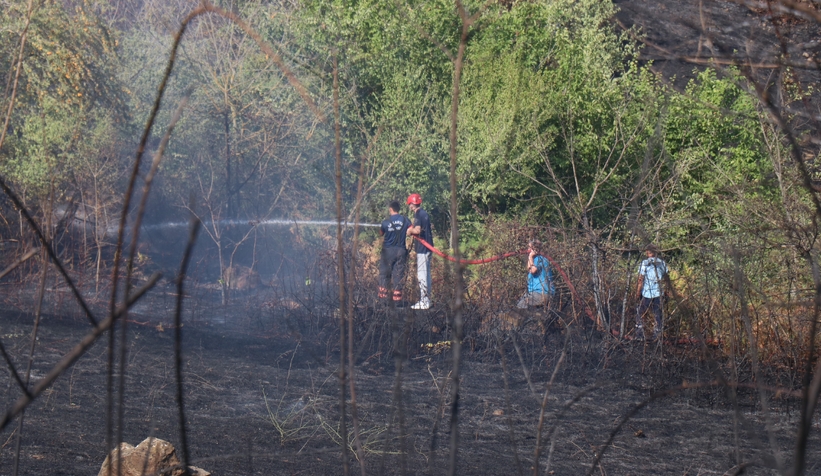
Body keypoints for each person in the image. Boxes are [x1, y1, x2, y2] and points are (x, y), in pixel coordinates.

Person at [379, 201, 412, 304]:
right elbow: (411, 230)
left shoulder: (385, 222)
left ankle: (383, 300)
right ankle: (397, 301)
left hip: (388, 251)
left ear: (390, 209)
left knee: (384, 274)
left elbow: (381, 233)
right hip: (401, 251)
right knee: (398, 275)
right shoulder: (406, 220)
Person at [405, 193, 433, 310]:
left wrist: (409, 231)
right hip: (428, 248)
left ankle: (424, 301)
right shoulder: (424, 213)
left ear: (412, 204)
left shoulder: (418, 215)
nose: (409, 206)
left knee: (422, 275)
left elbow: (417, 230)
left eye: (410, 204)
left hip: (423, 249)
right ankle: (428, 300)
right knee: (427, 275)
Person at [635, 243, 668, 340]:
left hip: (647, 293)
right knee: (657, 314)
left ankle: (640, 334)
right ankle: (657, 335)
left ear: (647, 252)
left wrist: (637, 292)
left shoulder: (644, 263)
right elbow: (666, 280)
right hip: (659, 293)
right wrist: (666, 291)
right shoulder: (662, 263)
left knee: (641, 312)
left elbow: (640, 279)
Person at [517, 240, 554, 309]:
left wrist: (530, 257)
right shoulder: (536, 259)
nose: (528, 250)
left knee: (521, 306)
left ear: (534, 249)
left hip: (541, 293)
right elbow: (529, 268)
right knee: (532, 311)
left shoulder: (540, 259)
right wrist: (530, 258)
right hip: (537, 292)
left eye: (529, 248)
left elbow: (533, 270)